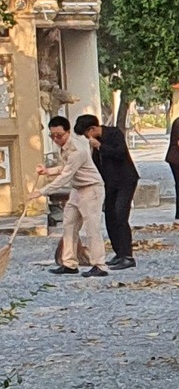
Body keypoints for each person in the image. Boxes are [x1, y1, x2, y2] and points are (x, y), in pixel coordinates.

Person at [37, 114, 109, 277]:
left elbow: (66, 176)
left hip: (91, 189)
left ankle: (99, 264)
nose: (56, 139)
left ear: (68, 132)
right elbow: (65, 167)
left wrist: (42, 191)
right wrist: (48, 171)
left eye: (59, 135)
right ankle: (69, 263)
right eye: (52, 136)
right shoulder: (64, 148)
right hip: (77, 190)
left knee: (92, 228)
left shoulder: (78, 150)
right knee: (69, 225)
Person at [83, 114, 139, 269]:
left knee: (121, 214)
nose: (87, 137)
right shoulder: (95, 144)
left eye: (86, 133)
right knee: (110, 216)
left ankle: (128, 256)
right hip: (110, 183)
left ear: (92, 129)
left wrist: (100, 147)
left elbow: (120, 153)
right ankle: (119, 253)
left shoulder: (114, 133)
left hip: (125, 180)